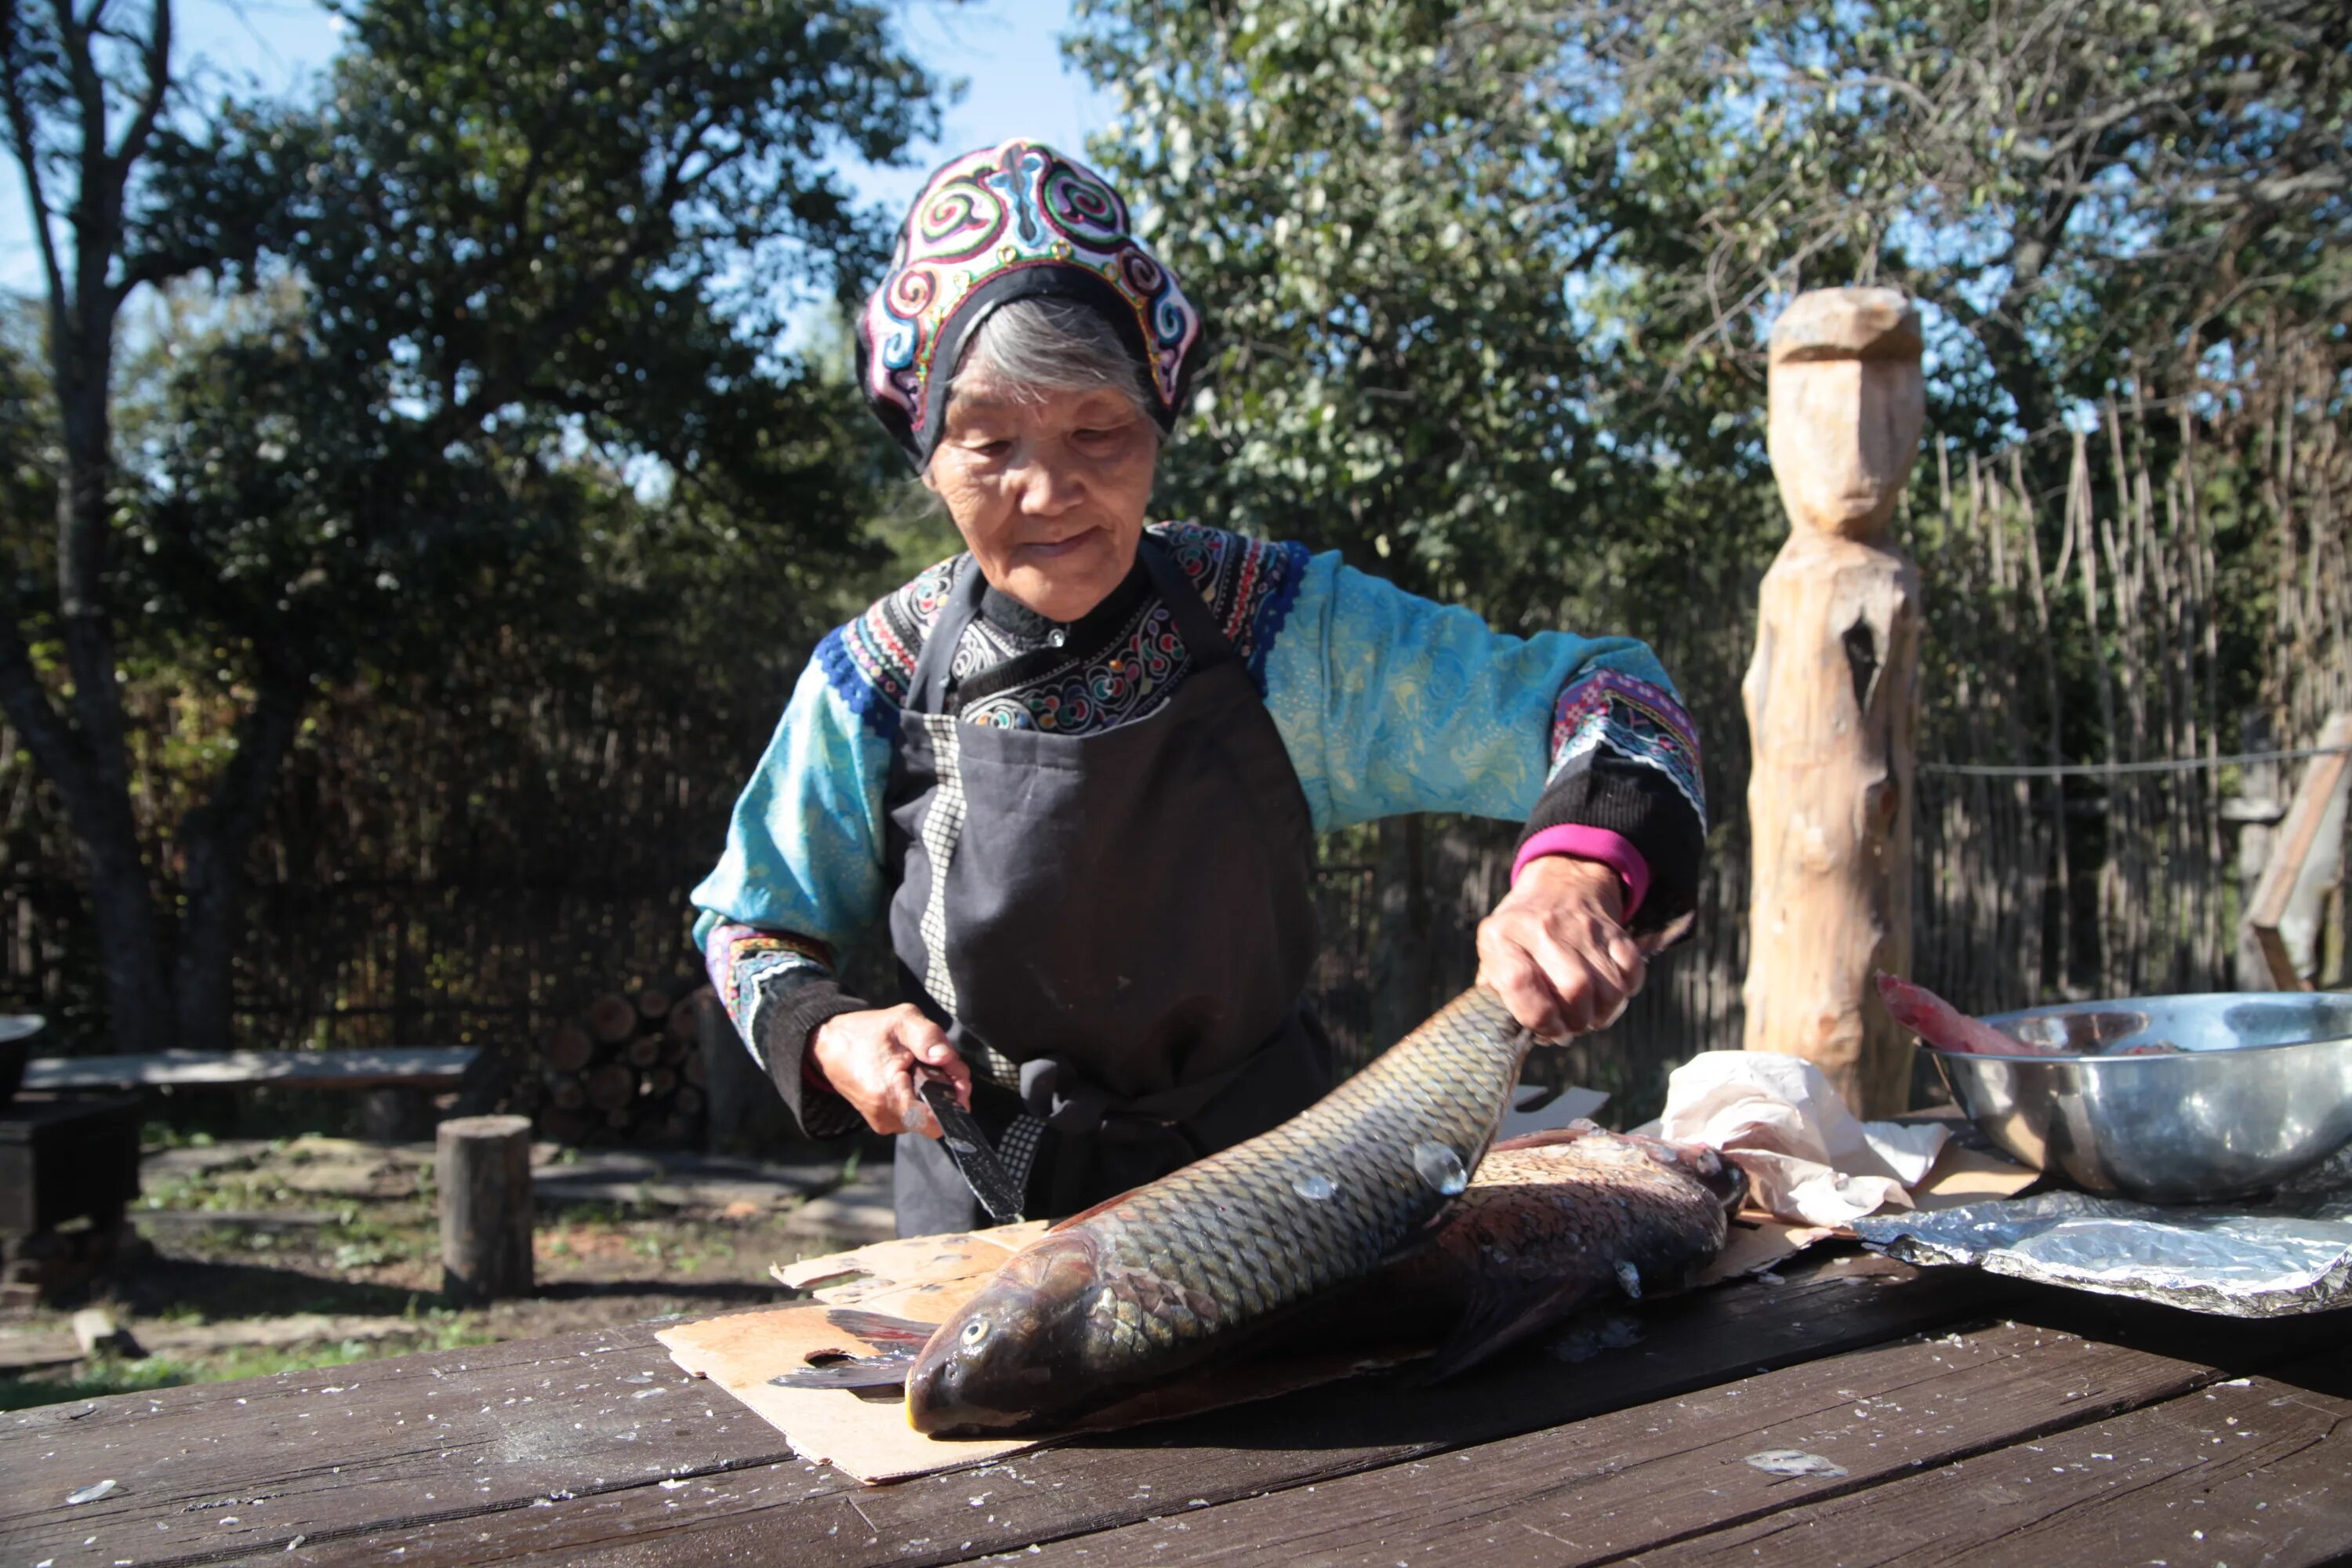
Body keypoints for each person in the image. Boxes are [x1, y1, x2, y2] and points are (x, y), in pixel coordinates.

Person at [691, 140, 1706, 1239]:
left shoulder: (1277, 631)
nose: (1050, 491)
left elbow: (1614, 699)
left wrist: (1574, 876)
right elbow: (750, 928)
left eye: (1099, 430)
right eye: (988, 444)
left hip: (1278, 1203)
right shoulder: (873, 679)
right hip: (983, 1228)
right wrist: (829, 1030)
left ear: (1158, 425)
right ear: (926, 452)